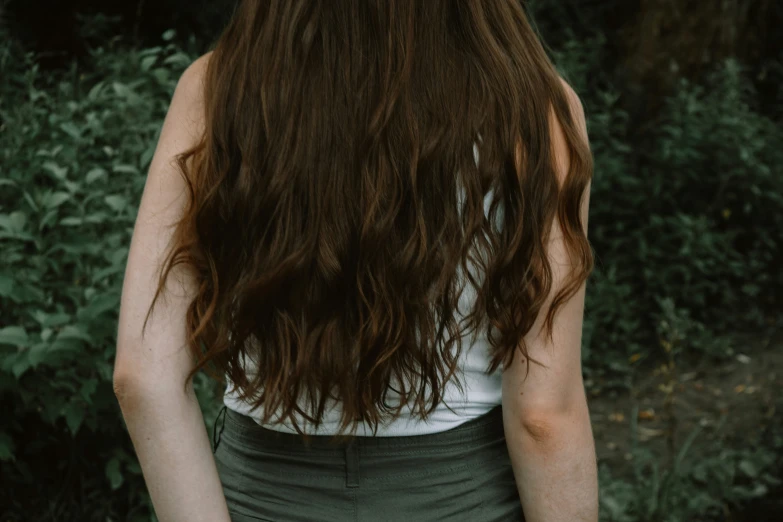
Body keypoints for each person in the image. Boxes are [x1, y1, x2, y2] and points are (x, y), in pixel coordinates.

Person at [112, 1, 598, 521]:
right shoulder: (535, 111)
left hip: (262, 497)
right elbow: (544, 417)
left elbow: (144, 377)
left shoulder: (216, 91)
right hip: (460, 500)